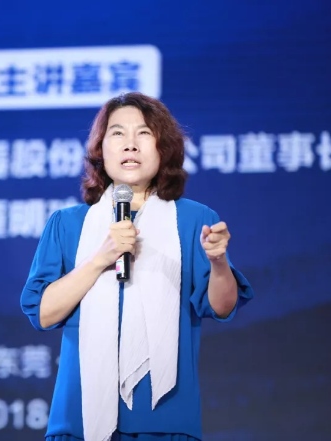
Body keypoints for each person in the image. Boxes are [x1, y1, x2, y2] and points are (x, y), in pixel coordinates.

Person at [20, 92, 254, 441]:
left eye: (143, 133)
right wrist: (100, 258)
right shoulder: (67, 224)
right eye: (117, 133)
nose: (130, 144)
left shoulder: (194, 220)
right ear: (101, 150)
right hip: (79, 417)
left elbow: (221, 307)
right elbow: (42, 313)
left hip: (165, 418)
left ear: (163, 148)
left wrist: (218, 262)